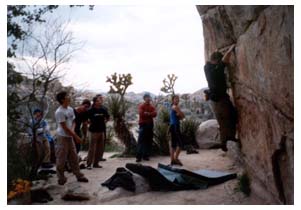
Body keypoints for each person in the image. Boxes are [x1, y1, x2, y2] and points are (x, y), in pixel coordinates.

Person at [204, 44, 238, 152]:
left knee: (222, 122)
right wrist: (230, 49)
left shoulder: (207, 68)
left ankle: (224, 142)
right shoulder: (215, 71)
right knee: (231, 117)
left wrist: (216, 50)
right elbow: (224, 62)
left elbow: (217, 61)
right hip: (221, 100)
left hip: (215, 99)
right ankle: (228, 139)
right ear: (216, 61)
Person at [54, 91, 88, 185]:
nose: (69, 97)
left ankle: (79, 175)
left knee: (74, 157)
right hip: (62, 137)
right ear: (62, 99)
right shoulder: (59, 112)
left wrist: (73, 132)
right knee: (61, 158)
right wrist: (75, 136)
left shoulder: (70, 109)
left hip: (70, 136)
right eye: (67, 96)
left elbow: (74, 121)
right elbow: (64, 127)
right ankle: (61, 178)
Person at [86, 94, 110, 169]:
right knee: (92, 148)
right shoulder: (90, 110)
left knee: (99, 148)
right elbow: (86, 119)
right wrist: (89, 123)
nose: (100, 101)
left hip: (101, 131)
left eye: (100, 100)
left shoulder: (103, 109)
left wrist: (105, 121)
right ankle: (89, 164)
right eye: (98, 101)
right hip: (93, 131)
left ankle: (96, 163)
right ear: (95, 102)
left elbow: (108, 117)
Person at [136, 93, 157, 162]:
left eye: (149, 97)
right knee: (141, 140)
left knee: (148, 140)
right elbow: (141, 114)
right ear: (144, 98)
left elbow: (155, 114)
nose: (148, 98)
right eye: (147, 97)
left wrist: (148, 113)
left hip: (150, 125)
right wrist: (150, 114)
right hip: (143, 125)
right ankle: (138, 157)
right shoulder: (141, 106)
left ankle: (146, 156)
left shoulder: (152, 106)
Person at [169, 95, 185, 166]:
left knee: (173, 144)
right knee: (181, 144)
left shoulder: (172, 107)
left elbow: (181, 117)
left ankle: (172, 160)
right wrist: (180, 114)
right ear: (172, 100)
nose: (177, 100)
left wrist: (180, 115)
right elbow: (183, 116)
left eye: (178, 99)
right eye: (176, 99)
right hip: (175, 126)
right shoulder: (175, 107)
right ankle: (176, 159)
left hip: (172, 126)